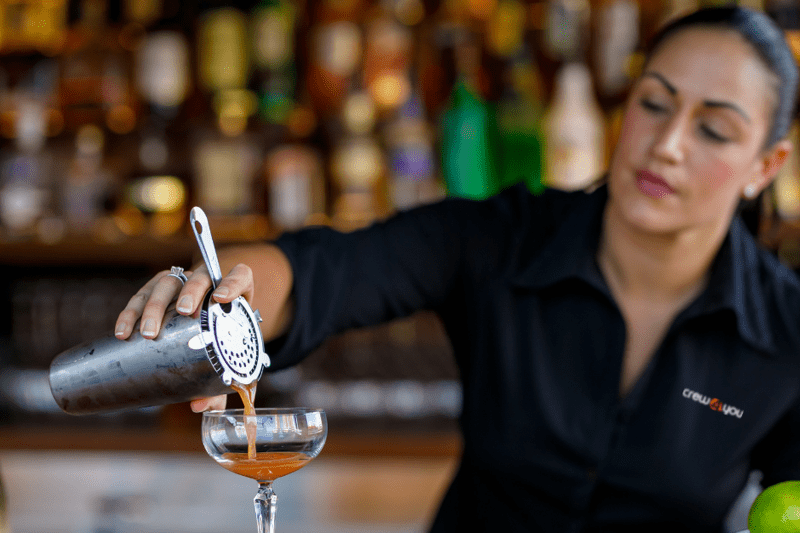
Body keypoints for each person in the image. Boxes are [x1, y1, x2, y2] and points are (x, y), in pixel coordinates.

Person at [115, 7, 800, 532]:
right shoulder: (500, 237)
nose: (668, 145)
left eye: (714, 128)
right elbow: (321, 268)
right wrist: (225, 292)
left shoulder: (788, 334)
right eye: (654, 103)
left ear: (765, 167)